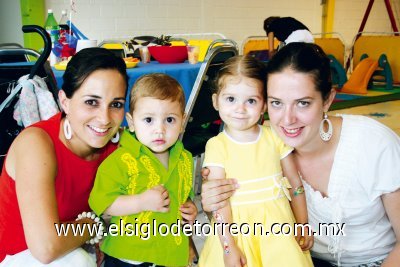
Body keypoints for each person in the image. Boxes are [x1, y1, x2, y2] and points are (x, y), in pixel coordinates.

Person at [200, 43, 400, 267]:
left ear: (327, 100)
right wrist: (214, 202)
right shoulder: (262, 143)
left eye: (303, 103)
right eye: (277, 103)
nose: (287, 119)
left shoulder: (374, 144)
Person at [0, 48, 198, 266]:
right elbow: (46, 248)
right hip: (22, 257)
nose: (104, 119)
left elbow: (169, 178)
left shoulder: (124, 145)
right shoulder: (37, 144)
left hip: (81, 247)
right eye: (91, 102)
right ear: (65, 101)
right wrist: (98, 224)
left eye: (116, 104)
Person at [198, 55, 313, 267]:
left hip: (278, 229)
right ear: (216, 101)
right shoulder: (217, 145)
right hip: (237, 232)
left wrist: (303, 224)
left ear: (264, 106)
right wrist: (228, 247)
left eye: (251, 100)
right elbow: (218, 202)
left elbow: (296, 186)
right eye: (230, 99)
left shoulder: (274, 137)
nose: (240, 109)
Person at [88, 73, 196, 267]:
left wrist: (189, 207)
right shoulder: (121, 160)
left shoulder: (184, 158)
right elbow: (103, 203)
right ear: (131, 122)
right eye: (148, 120)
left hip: (170, 252)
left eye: (170, 120)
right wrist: (140, 202)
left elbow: (182, 193)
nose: (159, 129)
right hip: (130, 257)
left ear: (182, 121)